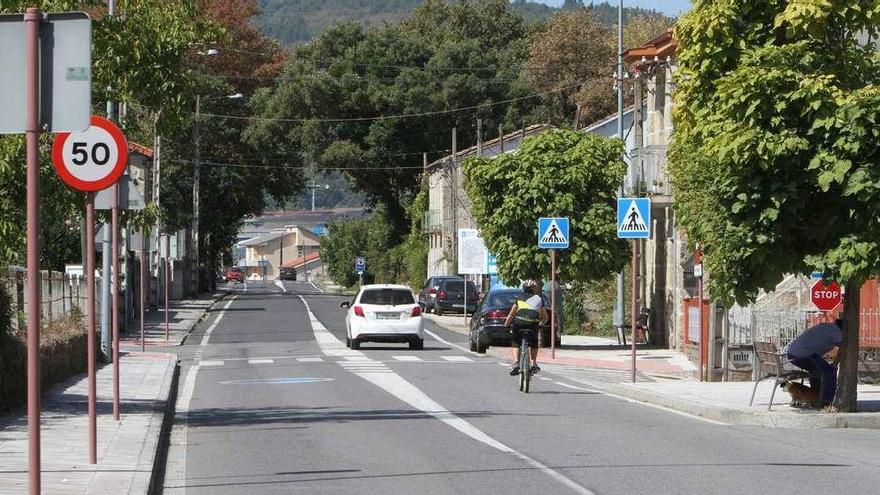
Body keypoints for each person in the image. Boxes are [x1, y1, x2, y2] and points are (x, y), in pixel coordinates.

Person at [786, 319, 843, 410]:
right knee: (830, 371)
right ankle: (827, 401)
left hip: (793, 354)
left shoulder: (826, 326)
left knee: (816, 370)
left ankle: (816, 397)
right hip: (804, 354)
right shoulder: (837, 332)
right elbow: (843, 348)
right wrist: (835, 364)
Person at [504, 279, 548, 376]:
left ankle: (516, 363)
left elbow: (511, 314)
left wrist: (506, 324)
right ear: (534, 289)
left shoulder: (518, 298)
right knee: (534, 343)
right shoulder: (539, 299)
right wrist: (541, 324)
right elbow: (545, 317)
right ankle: (534, 363)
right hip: (533, 324)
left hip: (519, 323)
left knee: (515, 342)